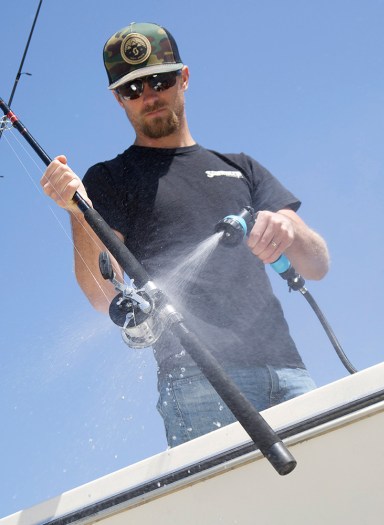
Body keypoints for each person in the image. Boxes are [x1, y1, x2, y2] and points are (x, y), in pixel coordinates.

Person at [41, 22, 330, 447]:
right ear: (118, 99)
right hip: (199, 383)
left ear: (184, 78)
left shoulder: (241, 168)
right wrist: (77, 211)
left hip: (291, 372)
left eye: (159, 81)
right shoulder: (109, 179)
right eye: (132, 89)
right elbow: (103, 296)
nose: (149, 96)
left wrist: (290, 230)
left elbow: (317, 265)